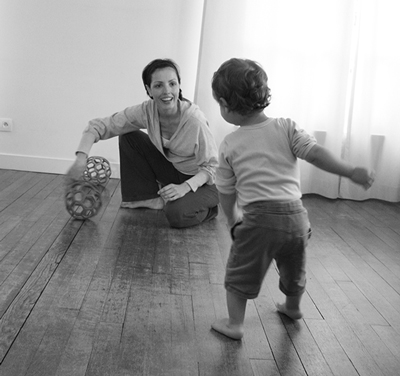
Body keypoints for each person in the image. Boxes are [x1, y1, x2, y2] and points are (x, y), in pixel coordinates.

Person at [210, 58, 375, 340]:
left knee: (240, 271)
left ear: (225, 104)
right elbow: (315, 153)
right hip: (297, 219)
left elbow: (226, 190)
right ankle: (292, 307)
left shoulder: (230, 144)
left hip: (259, 221)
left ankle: (235, 324)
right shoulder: (286, 127)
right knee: (293, 266)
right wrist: (349, 171)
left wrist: (232, 219)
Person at [66, 58, 219, 228]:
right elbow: (100, 125)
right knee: (129, 135)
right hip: (174, 170)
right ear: (149, 90)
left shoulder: (194, 120)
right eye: (158, 85)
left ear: (178, 86)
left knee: (176, 215)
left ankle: (209, 208)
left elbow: (212, 168)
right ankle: (145, 198)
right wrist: (81, 158)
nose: (167, 91)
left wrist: (184, 187)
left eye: (172, 84)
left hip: (204, 182)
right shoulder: (147, 111)